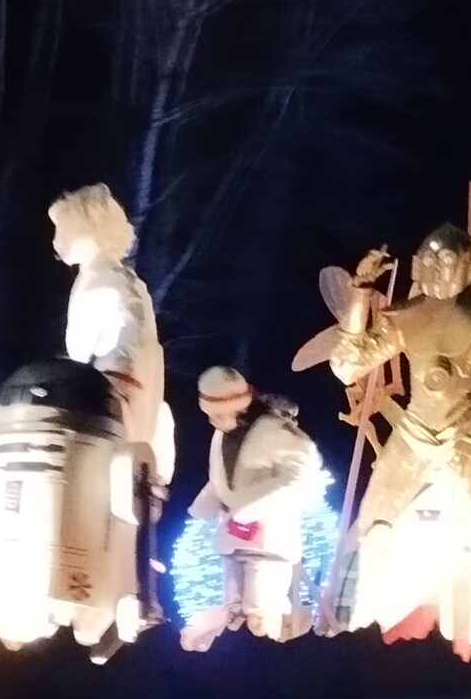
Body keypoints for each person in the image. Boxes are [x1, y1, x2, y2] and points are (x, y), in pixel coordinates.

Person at [309, 224, 471, 643]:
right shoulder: (405, 319)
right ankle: (365, 630)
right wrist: (360, 293)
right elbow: (348, 366)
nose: (438, 269)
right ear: (418, 266)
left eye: (448, 259)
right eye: (430, 260)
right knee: (373, 525)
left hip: (464, 433)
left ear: (468, 266)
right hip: (413, 435)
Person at [49, 185, 173, 623]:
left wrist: (75, 386)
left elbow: (91, 353)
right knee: (116, 501)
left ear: (89, 228)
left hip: (108, 402)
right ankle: (113, 592)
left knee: (96, 496)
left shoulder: (104, 281)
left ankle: (96, 592)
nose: (57, 240)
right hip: (123, 398)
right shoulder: (119, 280)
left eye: (63, 228)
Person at [183, 366, 320, 645]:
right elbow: (222, 477)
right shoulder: (222, 433)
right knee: (233, 609)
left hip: (269, 541)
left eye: (218, 413)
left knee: (261, 615)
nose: (214, 421)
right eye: (210, 415)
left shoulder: (272, 430)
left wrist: (253, 506)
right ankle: (215, 628)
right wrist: (206, 503)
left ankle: (284, 628)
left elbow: (302, 472)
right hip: (233, 537)